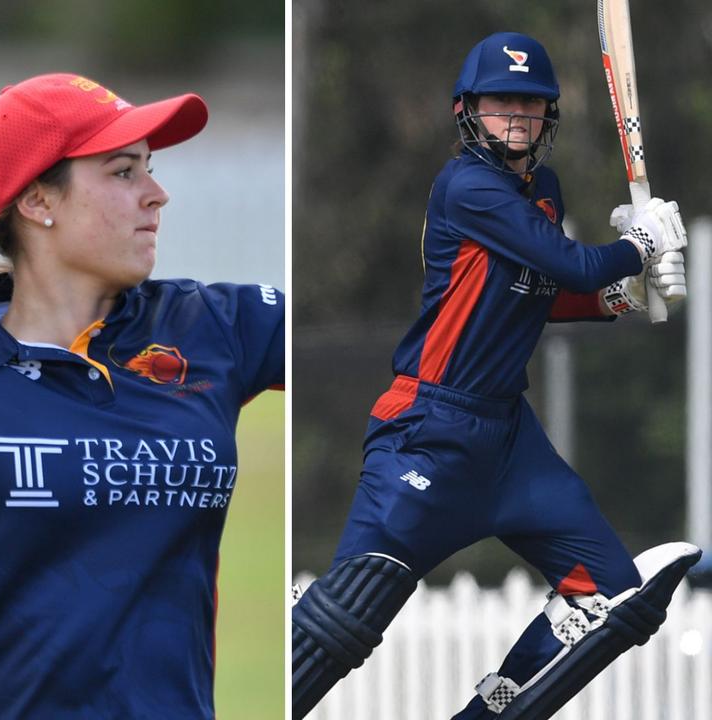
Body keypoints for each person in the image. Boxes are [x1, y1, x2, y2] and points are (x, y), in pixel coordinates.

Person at [291, 32, 701, 719]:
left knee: (609, 595)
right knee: (344, 622)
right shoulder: (467, 187)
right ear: (468, 110)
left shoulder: (542, 190)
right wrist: (638, 246)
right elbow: (571, 264)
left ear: (549, 116)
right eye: (501, 102)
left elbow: (542, 288)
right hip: (428, 430)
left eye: (532, 104)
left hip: (510, 442)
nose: (517, 116)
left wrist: (619, 294)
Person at [0, 73, 284, 719]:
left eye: (149, 167)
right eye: (122, 172)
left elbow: (414, 340)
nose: (157, 194)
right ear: (37, 201)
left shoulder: (221, 326)